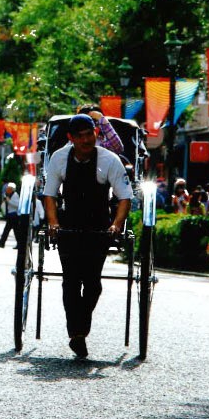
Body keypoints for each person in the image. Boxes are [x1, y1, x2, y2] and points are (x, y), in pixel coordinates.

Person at [43, 114, 133, 359]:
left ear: (96, 133)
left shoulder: (110, 160)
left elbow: (124, 197)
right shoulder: (59, 158)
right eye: (80, 136)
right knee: (71, 280)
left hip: (98, 225)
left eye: (89, 134)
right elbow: (50, 194)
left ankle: (81, 326)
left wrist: (116, 225)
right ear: (70, 138)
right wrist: (53, 222)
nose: (86, 140)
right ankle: (77, 334)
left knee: (92, 282)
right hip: (69, 224)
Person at [0, 181, 23, 248]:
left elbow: (17, 205)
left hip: (14, 215)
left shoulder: (15, 195)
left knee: (11, 230)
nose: (7, 190)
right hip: (10, 215)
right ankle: (2, 243)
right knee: (12, 230)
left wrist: (9, 201)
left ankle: (2, 243)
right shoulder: (9, 195)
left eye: (8, 188)